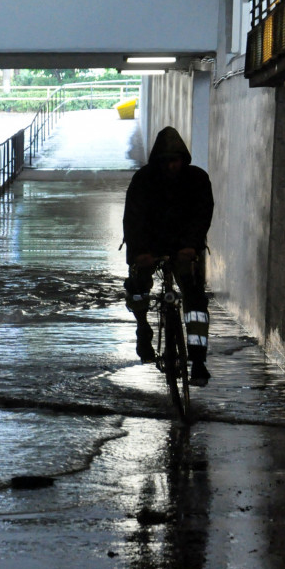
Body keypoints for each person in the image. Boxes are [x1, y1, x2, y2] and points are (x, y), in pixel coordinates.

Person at [122, 126, 214, 386]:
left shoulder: (197, 179)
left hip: (185, 246)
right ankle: (143, 327)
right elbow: (133, 218)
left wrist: (192, 246)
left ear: (183, 160)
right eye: (166, 162)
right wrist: (139, 253)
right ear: (158, 162)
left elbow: (202, 215)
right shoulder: (143, 180)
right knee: (138, 287)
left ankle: (197, 360)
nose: (171, 166)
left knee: (195, 300)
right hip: (149, 245)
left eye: (175, 161)